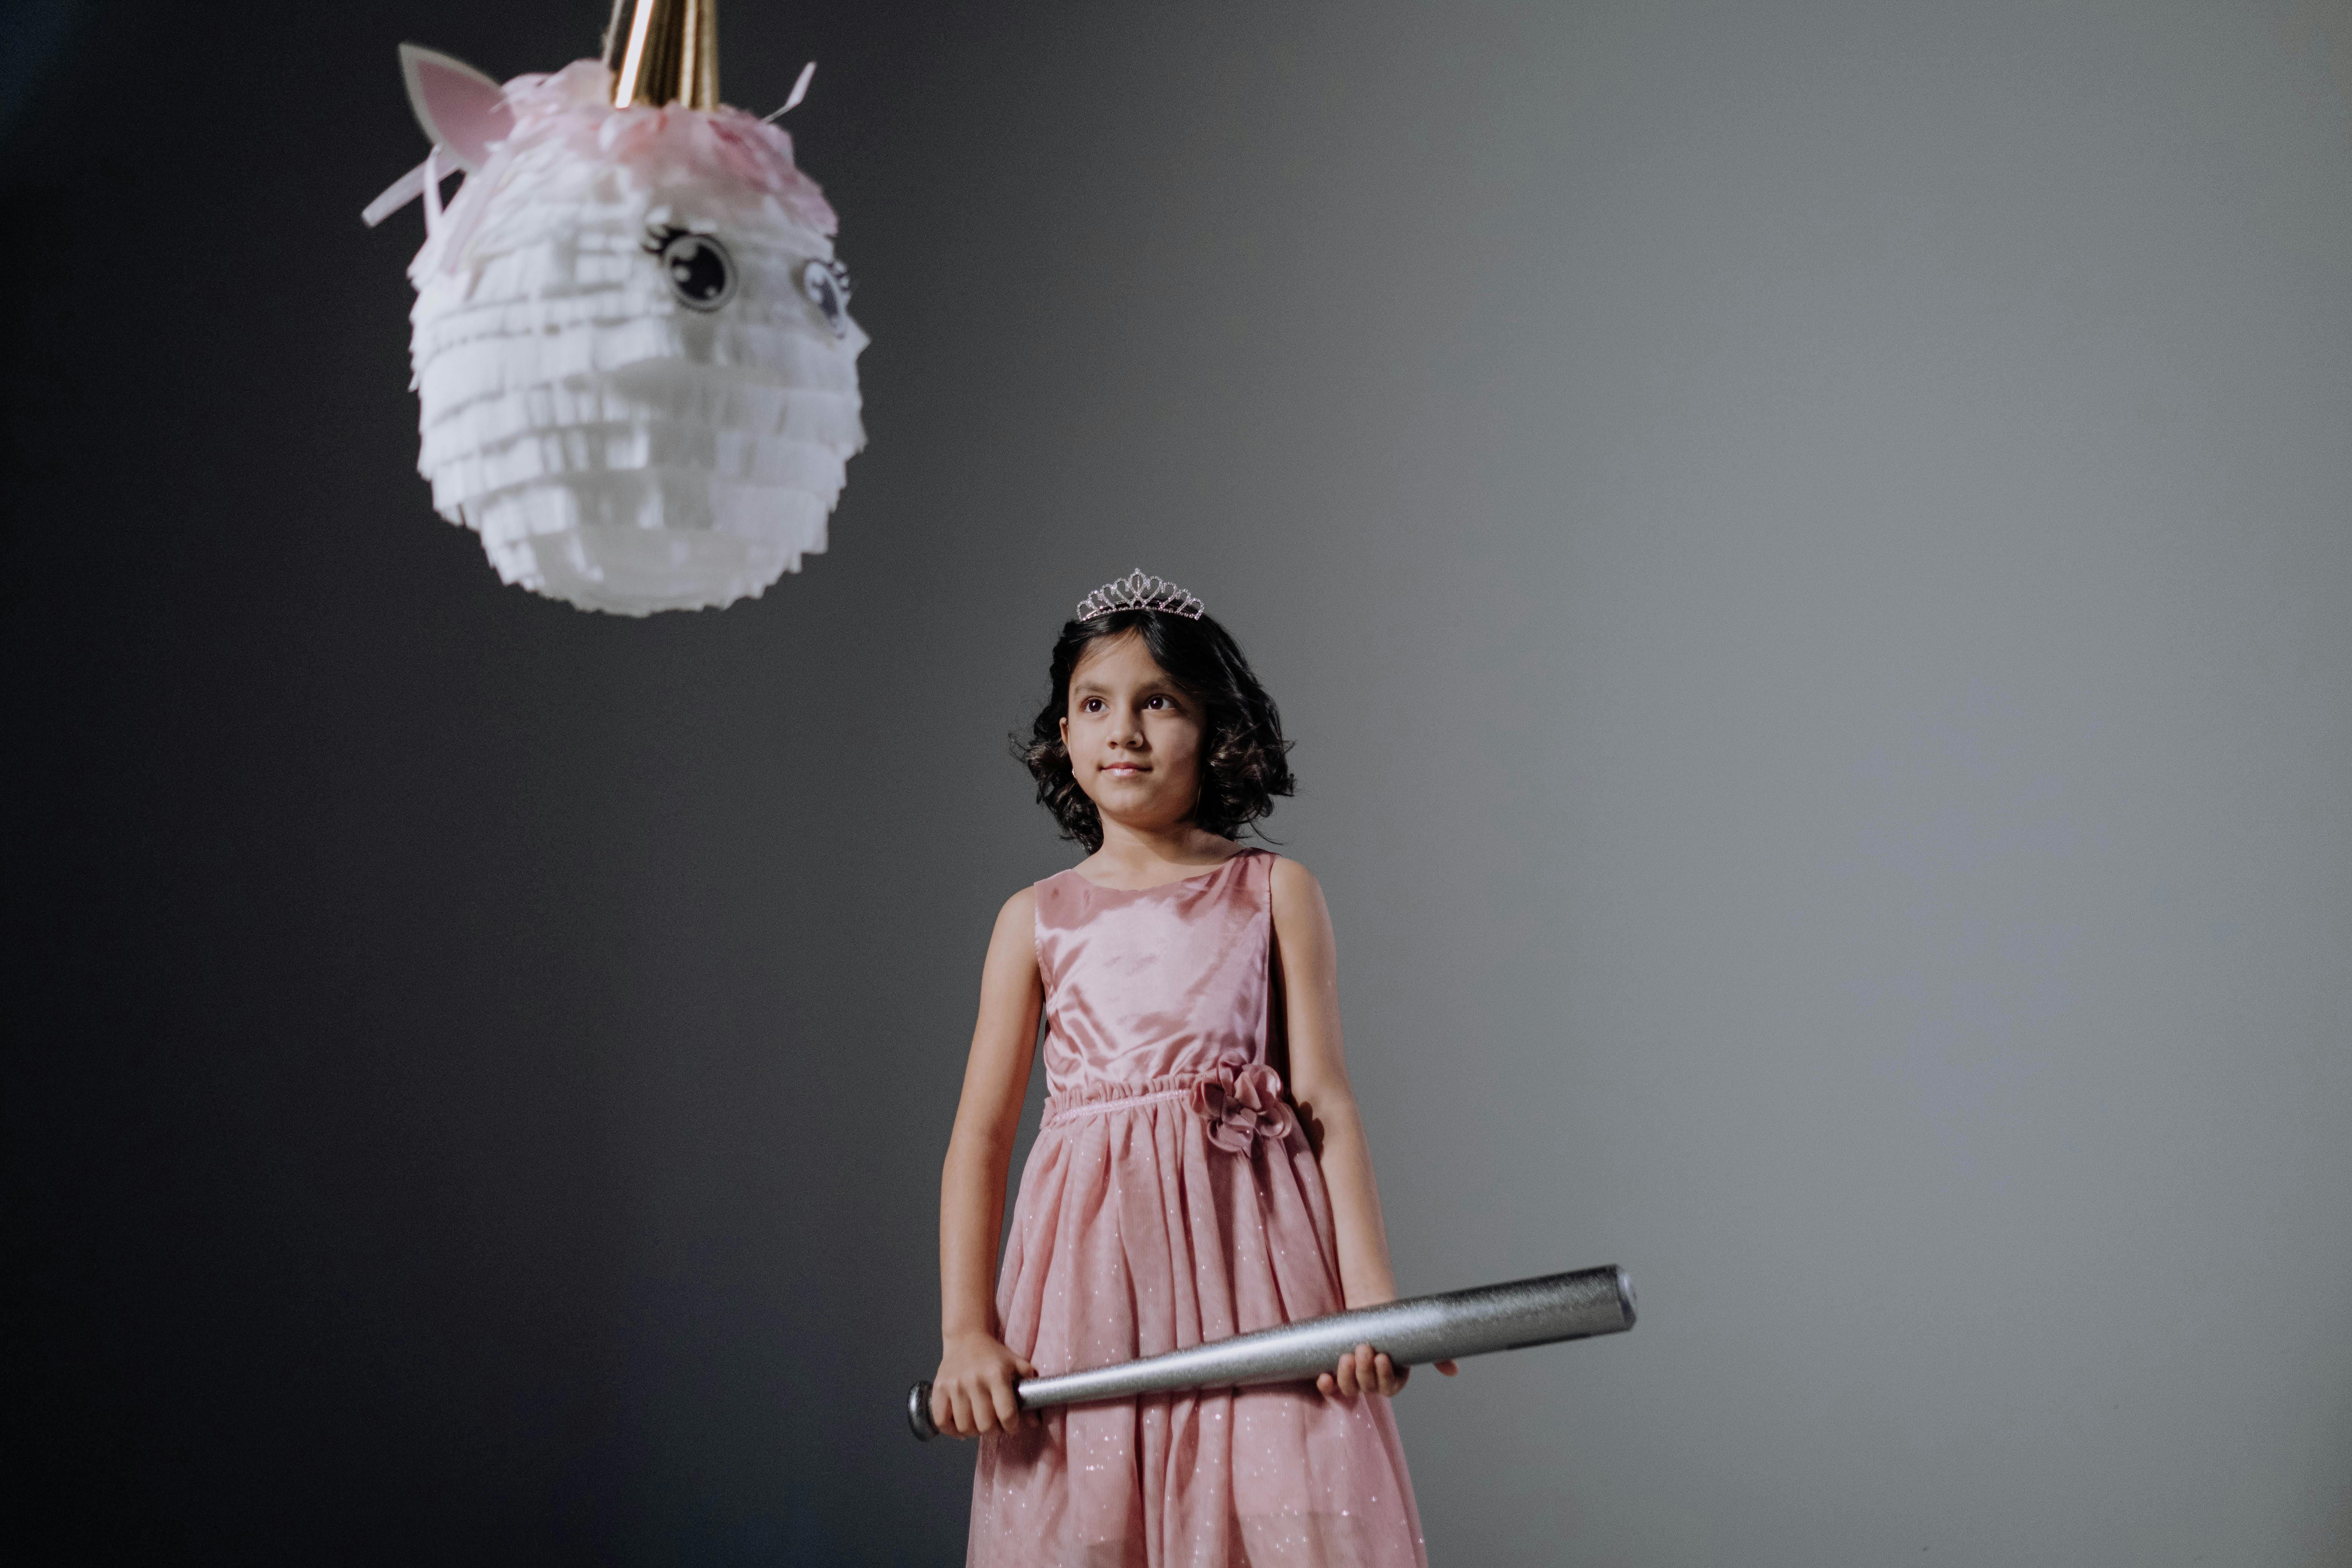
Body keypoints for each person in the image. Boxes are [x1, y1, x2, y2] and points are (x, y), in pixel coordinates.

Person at [933, 571, 1450, 1567]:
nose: (1124, 731)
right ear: (1065, 734)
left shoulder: (1274, 892)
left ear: (1214, 727)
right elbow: (981, 1138)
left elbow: (1326, 1103)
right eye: (1096, 705)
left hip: (1255, 1258)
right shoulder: (1033, 920)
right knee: (1092, 1522)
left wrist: (1371, 1297)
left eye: (1157, 702)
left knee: (1287, 1501)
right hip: (1090, 1278)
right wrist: (967, 1331)